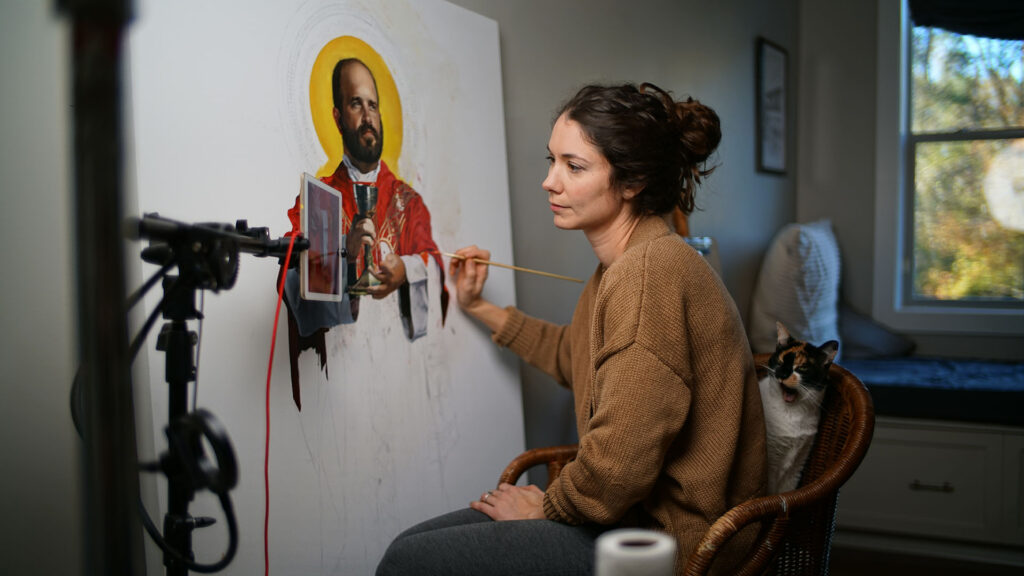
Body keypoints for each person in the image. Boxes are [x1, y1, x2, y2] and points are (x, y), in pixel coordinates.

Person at [375, 83, 766, 575]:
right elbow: (573, 354)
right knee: (410, 547)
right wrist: (475, 305)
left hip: (669, 547)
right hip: (628, 519)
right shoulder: (627, 265)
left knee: (408, 560)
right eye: (551, 160)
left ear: (632, 182)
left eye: (573, 166)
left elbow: (620, 463)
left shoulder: (648, 275)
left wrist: (548, 508)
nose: (549, 181)